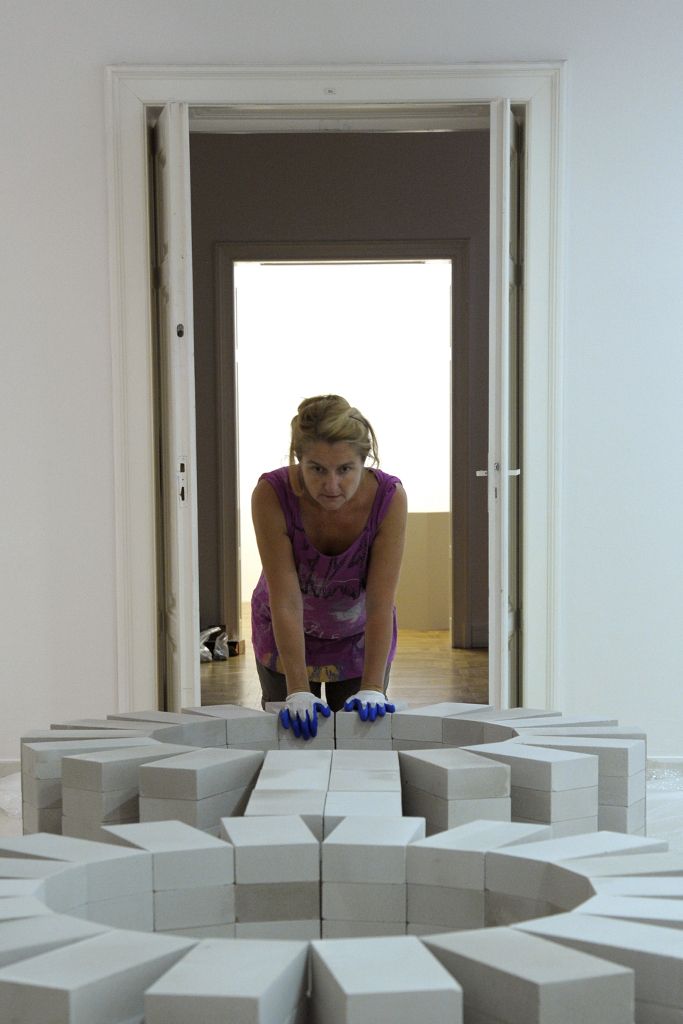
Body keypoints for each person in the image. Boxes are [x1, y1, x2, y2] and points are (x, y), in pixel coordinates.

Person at [251, 395, 407, 740]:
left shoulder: (389, 498)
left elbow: (380, 603)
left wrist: (372, 688)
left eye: (345, 469)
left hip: (357, 637)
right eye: (317, 469)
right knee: (291, 739)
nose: (331, 485)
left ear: (364, 461)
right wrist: (297, 690)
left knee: (357, 738)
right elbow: (286, 601)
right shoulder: (271, 494)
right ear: (299, 459)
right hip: (284, 631)